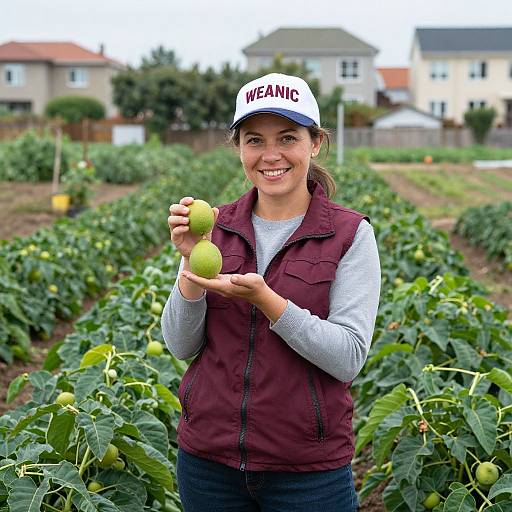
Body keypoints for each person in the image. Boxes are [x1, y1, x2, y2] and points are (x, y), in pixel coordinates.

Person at [163, 72, 381, 512]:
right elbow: (181, 345)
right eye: (255, 140)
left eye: (287, 137)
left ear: (314, 142)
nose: (271, 155)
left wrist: (269, 302)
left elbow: (349, 356)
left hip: (308, 474)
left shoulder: (349, 234)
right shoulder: (215, 227)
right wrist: (189, 265)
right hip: (208, 465)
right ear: (239, 148)